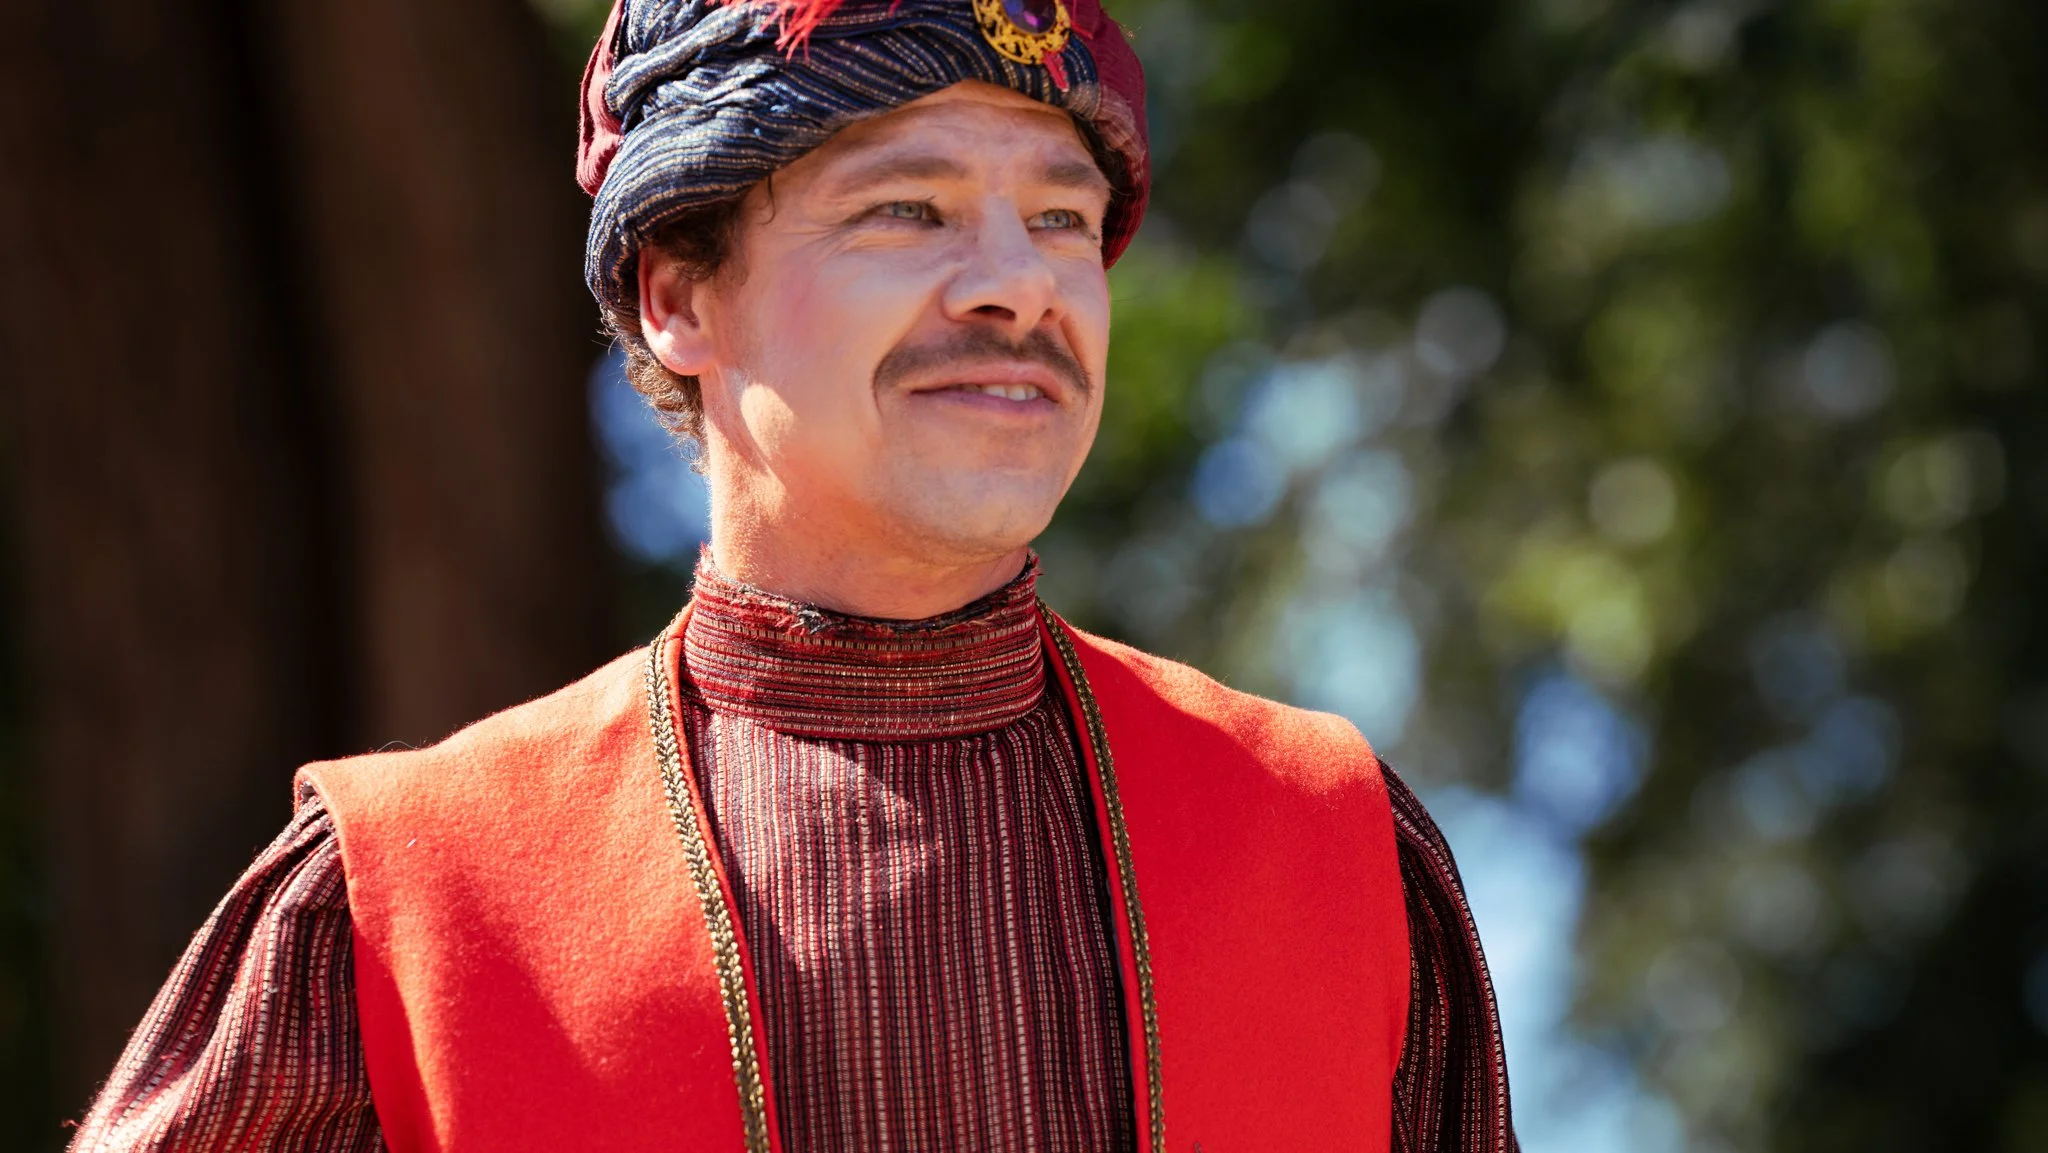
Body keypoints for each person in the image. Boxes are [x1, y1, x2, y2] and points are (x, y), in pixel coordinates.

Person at [71, 1, 1518, 1150]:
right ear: (681, 295)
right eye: (910, 210)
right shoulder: (400, 911)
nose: (1020, 284)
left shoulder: (1338, 849)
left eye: (1063, 218)